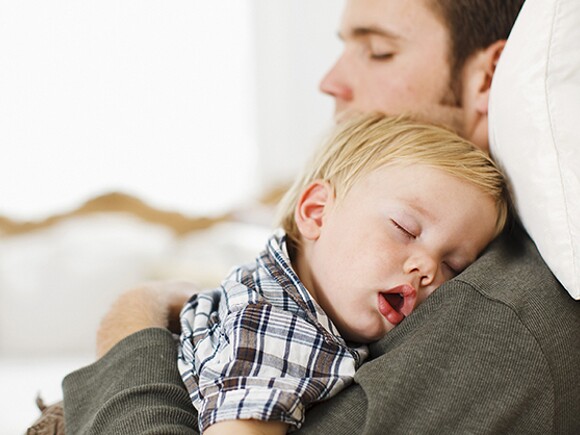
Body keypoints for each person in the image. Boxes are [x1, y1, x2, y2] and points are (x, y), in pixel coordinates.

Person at [58, 0, 580, 434]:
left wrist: (132, 321)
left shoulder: (502, 319)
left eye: (379, 51)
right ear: (315, 210)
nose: (331, 81)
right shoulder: (303, 299)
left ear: (489, 76)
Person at [169, 114, 508, 434]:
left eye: (453, 265)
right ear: (317, 213)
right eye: (405, 229)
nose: (428, 270)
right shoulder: (277, 328)